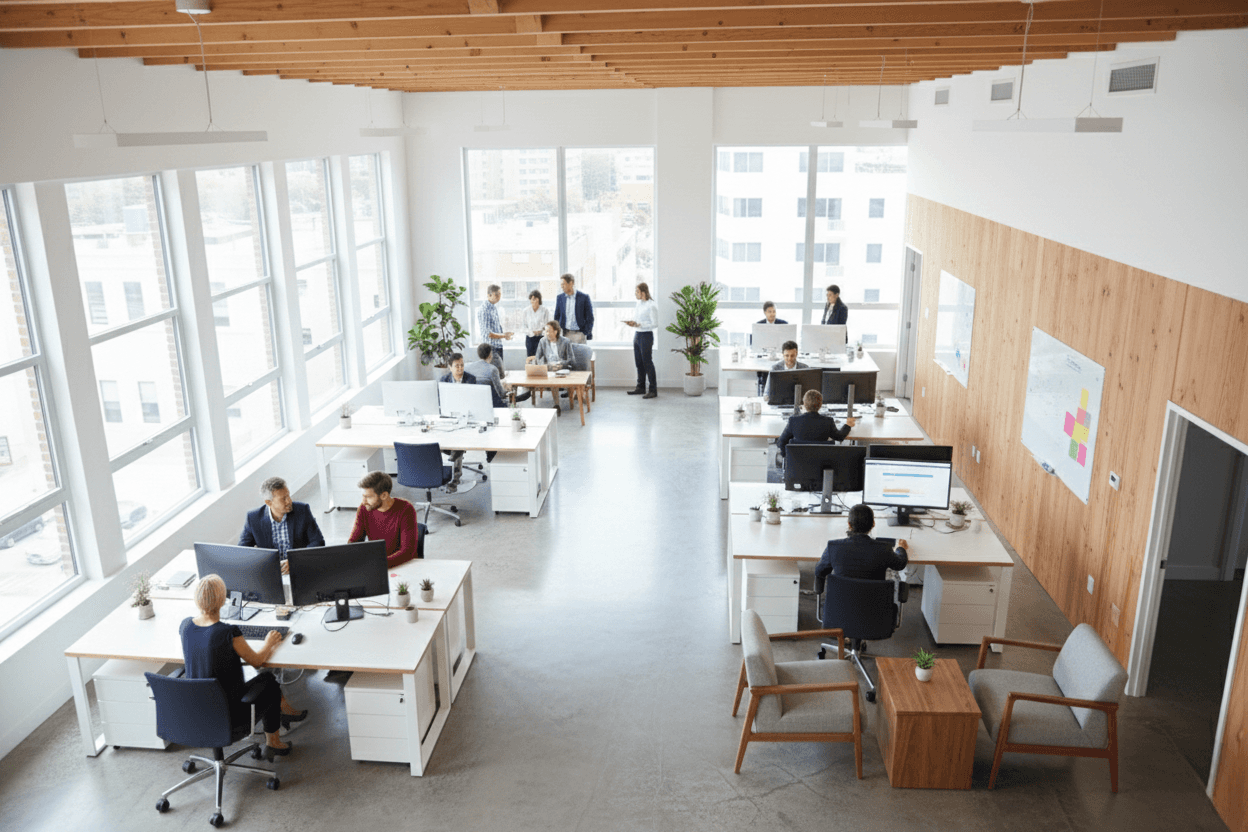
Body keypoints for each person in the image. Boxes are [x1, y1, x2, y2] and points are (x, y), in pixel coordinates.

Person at [180, 575, 305, 760]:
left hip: (197, 711)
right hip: (230, 713)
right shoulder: (228, 632)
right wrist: (269, 643)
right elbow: (257, 661)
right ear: (223, 600)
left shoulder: (185, 625)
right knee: (269, 680)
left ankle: (285, 710)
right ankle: (274, 742)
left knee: (261, 680)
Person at [238, 477, 325, 575]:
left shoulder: (303, 510)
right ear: (269, 502)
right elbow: (242, 550)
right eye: (284, 499)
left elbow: (318, 541)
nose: (289, 501)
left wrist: (294, 561)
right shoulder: (253, 518)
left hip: (299, 568)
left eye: (288, 496)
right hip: (270, 572)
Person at [814, 503, 909, 584]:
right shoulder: (884, 549)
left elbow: (819, 571)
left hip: (839, 604)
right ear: (873, 524)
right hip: (874, 604)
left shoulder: (833, 547)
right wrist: (901, 548)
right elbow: (900, 564)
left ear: (849, 524)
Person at [348, 471, 420, 566]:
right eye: (363, 496)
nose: (364, 501)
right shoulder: (364, 508)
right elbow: (355, 542)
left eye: (368, 497)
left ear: (384, 495)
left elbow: (407, 552)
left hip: (402, 565)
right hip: (378, 562)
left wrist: (378, 564)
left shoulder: (405, 509)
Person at [776, 389, 855, 459]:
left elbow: (780, 442)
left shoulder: (793, 421)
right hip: (821, 467)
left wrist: (787, 456)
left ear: (804, 403)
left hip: (797, 466)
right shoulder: (828, 422)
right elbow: (840, 436)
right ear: (820, 405)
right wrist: (848, 425)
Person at [528, 321, 576, 415]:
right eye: (546, 331)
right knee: (553, 378)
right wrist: (549, 366)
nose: (547, 334)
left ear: (556, 331)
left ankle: (568, 399)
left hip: (563, 368)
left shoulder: (566, 341)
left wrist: (561, 364)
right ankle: (557, 405)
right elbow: (538, 358)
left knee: (557, 376)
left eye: (549, 331)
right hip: (550, 369)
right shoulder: (543, 341)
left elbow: (571, 359)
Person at [624, 282, 658, 399]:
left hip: (646, 336)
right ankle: (640, 387)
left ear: (643, 292)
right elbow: (638, 319)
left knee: (647, 362)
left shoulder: (651, 305)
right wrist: (633, 323)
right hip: (637, 335)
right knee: (639, 363)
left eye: (637, 292)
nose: (635, 294)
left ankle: (653, 390)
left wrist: (639, 324)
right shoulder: (638, 304)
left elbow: (655, 324)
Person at [477, 284, 513, 375]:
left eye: (500, 294)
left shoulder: (493, 307)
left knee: (499, 374)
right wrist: (504, 335)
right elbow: (489, 334)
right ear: (489, 295)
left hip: (498, 346)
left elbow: (496, 328)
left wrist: (504, 334)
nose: (499, 296)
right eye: (496, 294)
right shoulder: (484, 309)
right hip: (490, 348)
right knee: (496, 375)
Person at [553, 273, 594, 344]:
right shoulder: (560, 298)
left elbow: (590, 318)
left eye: (563, 284)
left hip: (579, 334)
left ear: (571, 283)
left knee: (579, 355)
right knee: (565, 355)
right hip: (565, 334)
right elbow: (556, 317)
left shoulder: (584, 298)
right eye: (561, 284)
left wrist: (584, 333)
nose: (561, 286)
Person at [522, 289, 551, 358]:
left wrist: (541, 332)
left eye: (534, 299)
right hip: (530, 338)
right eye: (531, 299)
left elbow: (547, 325)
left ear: (538, 299)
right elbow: (524, 327)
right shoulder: (526, 311)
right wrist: (532, 332)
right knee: (531, 359)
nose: (532, 301)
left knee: (541, 358)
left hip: (541, 338)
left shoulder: (545, 310)